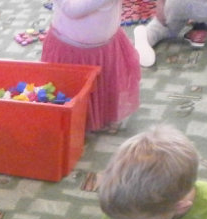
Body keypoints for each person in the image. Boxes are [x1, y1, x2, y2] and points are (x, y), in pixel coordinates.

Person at [40, 0, 141, 132]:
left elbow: (74, 10)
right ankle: (72, 119)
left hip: (102, 45)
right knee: (69, 90)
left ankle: (103, 116)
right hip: (67, 46)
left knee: (104, 84)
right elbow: (72, 10)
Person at [133, 0, 207, 67]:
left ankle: (146, 35)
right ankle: (201, 30)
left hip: (184, 3)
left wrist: (161, 5)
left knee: (163, 27)